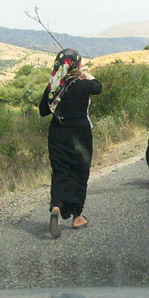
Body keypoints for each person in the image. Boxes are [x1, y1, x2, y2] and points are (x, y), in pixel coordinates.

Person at [39, 48, 103, 238]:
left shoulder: (54, 86)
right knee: (79, 172)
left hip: (57, 133)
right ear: (76, 65)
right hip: (80, 134)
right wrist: (85, 73)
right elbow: (98, 87)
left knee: (60, 171)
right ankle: (77, 216)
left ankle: (56, 208)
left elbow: (43, 110)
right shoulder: (83, 85)